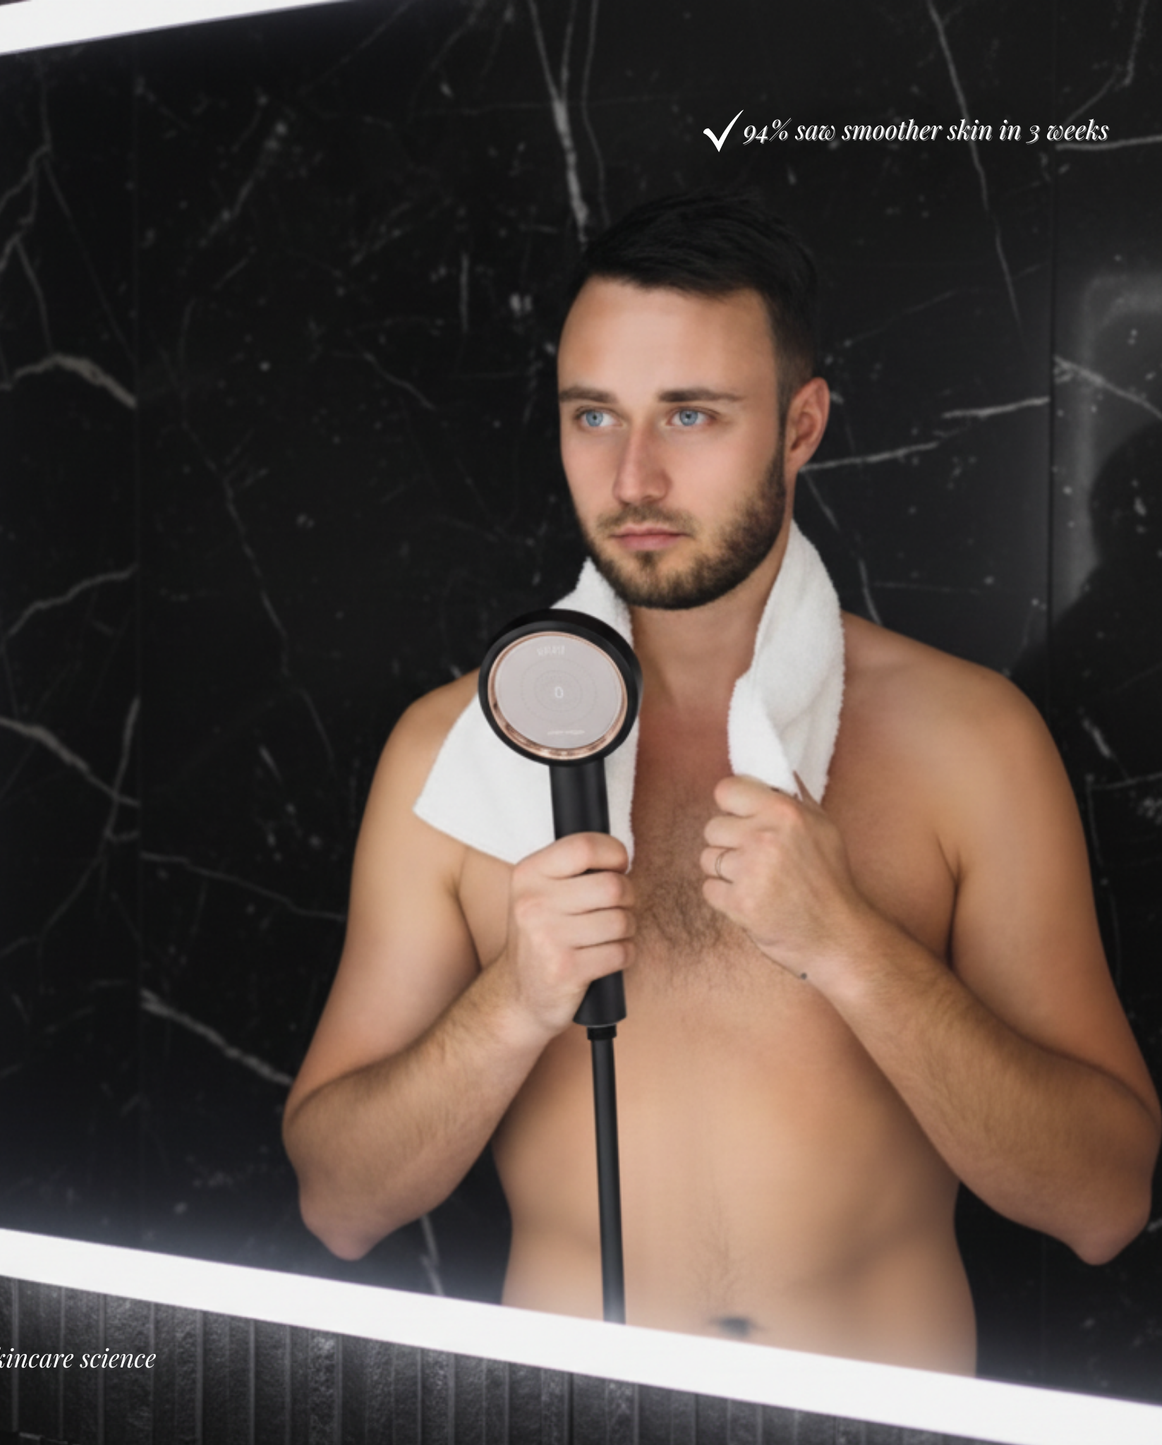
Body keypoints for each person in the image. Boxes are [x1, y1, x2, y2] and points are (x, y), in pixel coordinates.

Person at [281, 192, 1160, 1372]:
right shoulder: (447, 756)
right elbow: (338, 1204)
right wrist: (515, 1002)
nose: (632, 474)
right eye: (594, 414)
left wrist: (846, 941)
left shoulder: (969, 742)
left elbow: (1100, 1202)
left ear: (799, 426)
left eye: (688, 413)